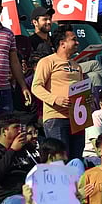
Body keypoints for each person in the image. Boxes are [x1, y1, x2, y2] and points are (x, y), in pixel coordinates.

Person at [31, 23, 86, 155]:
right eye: (73, 39)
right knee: (60, 159)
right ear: (62, 43)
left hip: (76, 120)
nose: (77, 42)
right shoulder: (47, 61)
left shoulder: (77, 66)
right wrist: (55, 99)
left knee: (76, 161)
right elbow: (36, 87)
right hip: (56, 118)